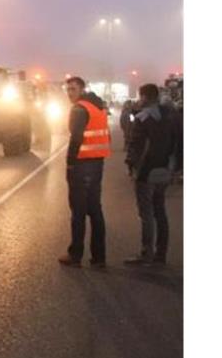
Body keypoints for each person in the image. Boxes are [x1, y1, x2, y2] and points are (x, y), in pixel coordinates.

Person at [58, 76, 110, 268]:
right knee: (95, 210)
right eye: (68, 89)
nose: (69, 93)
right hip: (97, 164)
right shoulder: (98, 107)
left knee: (78, 212)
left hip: (81, 166)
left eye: (73, 89)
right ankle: (99, 257)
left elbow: (76, 139)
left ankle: (75, 254)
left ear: (81, 89)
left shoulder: (79, 109)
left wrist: (70, 164)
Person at [123, 84, 177, 265]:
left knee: (146, 214)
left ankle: (147, 253)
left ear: (145, 97)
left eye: (141, 97)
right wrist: (175, 168)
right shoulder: (172, 116)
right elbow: (180, 142)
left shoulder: (142, 118)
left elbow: (136, 147)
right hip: (165, 170)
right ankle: (161, 254)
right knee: (160, 212)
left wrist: (133, 167)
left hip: (146, 172)